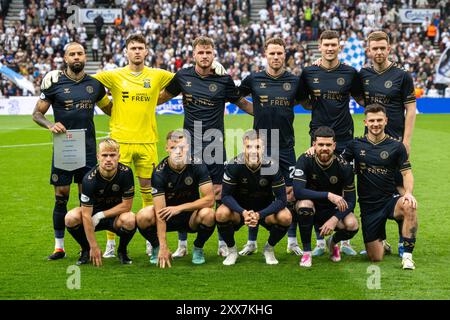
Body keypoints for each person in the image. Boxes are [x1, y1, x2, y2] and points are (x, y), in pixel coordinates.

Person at [41, 34, 227, 258]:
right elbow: (82, 78)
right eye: (133, 48)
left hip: (147, 141)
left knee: (150, 192)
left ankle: (153, 242)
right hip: (120, 142)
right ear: (126, 52)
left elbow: (187, 76)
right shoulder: (113, 76)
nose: (137, 52)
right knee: (113, 192)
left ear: (147, 51)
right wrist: (57, 74)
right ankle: (111, 243)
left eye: (141, 48)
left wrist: (215, 66)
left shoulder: (158, 75)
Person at [158, 36, 253, 258]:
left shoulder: (224, 80)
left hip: (215, 145)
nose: (204, 56)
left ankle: (221, 242)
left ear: (213, 55)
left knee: (218, 192)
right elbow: (161, 98)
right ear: (193, 55)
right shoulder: (182, 77)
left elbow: (243, 104)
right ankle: (182, 244)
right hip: (188, 145)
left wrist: (268, 114)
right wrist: (136, 102)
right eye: (200, 52)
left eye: (208, 52)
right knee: (186, 193)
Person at [32, 42, 112, 261]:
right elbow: (36, 114)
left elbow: (111, 110)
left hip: (87, 149)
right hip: (64, 148)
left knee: (85, 199)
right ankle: (59, 247)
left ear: (85, 57)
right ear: (65, 58)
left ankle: (86, 247)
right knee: (61, 197)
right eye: (72, 54)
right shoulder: (54, 83)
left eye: (80, 54)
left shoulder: (95, 85)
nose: (77, 57)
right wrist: (50, 125)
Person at [236, 37, 304, 257]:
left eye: (280, 53)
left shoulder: (294, 81)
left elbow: (305, 102)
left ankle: (292, 242)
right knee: (259, 193)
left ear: (285, 55)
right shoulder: (254, 78)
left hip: (286, 147)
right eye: (272, 53)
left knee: (291, 193)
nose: (276, 57)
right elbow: (237, 98)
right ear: (266, 54)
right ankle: (252, 241)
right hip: (261, 148)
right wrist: (256, 111)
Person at [297, 30, 363, 256]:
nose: (329, 48)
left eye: (333, 45)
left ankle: (343, 242)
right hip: (319, 137)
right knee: (318, 184)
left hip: (344, 137)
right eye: (326, 45)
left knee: (344, 183)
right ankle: (318, 242)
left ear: (339, 47)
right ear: (320, 47)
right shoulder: (309, 72)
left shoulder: (350, 72)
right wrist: (315, 105)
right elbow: (302, 100)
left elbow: (361, 99)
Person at [360, 31, 417, 257]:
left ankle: (404, 242)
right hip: (372, 144)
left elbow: (411, 109)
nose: (379, 52)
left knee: (401, 189)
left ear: (389, 48)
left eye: (383, 47)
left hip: (395, 144)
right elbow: (355, 97)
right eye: (375, 48)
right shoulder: (363, 75)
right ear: (369, 50)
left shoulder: (402, 75)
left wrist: (406, 141)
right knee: (375, 190)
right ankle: (379, 240)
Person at [341, 104, 418, 270]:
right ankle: (382, 243)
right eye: (372, 120)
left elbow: (407, 173)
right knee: (375, 257)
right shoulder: (355, 145)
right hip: (369, 205)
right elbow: (338, 165)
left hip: (390, 200)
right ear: (365, 122)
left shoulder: (396, 146)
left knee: (409, 206)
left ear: (386, 121)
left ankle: (407, 256)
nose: (376, 124)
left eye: (379, 120)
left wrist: (409, 193)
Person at [136, 130, 216, 267]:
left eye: (182, 147)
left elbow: (210, 200)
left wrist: (179, 208)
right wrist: (163, 246)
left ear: (188, 148)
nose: (178, 152)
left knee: (209, 214)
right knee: (143, 216)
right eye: (173, 148)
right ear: (167, 148)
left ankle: (198, 247)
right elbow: (160, 212)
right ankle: (155, 248)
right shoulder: (159, 173)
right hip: (167, 217)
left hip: (191, 217)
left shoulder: (197, 164)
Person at [216, 130, 291, 265]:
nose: (253, 151)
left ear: (263, 148)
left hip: (264, 211)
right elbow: (225, 196)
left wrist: (259, 214)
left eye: (257, 147)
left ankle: (269, 249)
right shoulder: (234, 165)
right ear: (243, 147)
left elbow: (282, 200)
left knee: (286, 217)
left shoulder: (271, 166)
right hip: (239, 211)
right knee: (221, 213)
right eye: (248, 147)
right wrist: (243, 212)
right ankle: (232, 251)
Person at [293, 126, 358, 267]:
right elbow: (298, 192)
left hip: (332, 210)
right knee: (304, 205)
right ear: (314, 145)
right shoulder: (305, 160)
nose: (324, 148)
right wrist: (328, 195)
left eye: (328, 145)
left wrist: (335, 219)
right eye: (320, 144)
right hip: (312, 207)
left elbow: (352, 201)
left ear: (334, 146)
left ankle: (332, 242)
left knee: (352, 225)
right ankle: (307, 252)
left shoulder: (344, 166)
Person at [64, 138, 137, 266]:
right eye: (104, 155)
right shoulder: (89, 179)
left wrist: (101, 215)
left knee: (130, 219)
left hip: (115, 217)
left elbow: (127, 205)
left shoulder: (126, 173)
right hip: (92, 216)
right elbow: (86, 215)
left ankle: (122, 250)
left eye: (112, 155)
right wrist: (94, 246)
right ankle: (86, 249)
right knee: (70, 218)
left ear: (118, 156)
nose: (108, 159)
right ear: (98, 157)